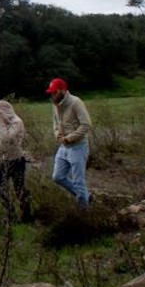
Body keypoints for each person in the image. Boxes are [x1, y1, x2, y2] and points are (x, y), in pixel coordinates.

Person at [46, 78, 93, 208]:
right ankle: (86, 196)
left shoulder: (76, 102)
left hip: (78, 147)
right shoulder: (55, 104)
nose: (52, 95)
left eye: (54, 92)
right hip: (63, 147)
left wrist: (69, 138)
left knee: (79, 182)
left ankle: (84, 212)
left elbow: (86, 124)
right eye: (51, 93)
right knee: (57, 177)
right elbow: (55, 123)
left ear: (62, 90)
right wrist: (57, 134)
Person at [0, 100, 32, 222]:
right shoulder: (3, 123)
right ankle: (11, 211)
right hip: (6, 160)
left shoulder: (17, 122)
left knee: (19, 190)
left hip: (16, 160)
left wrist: (1, 120)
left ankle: (26, 216)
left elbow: (6, 138)